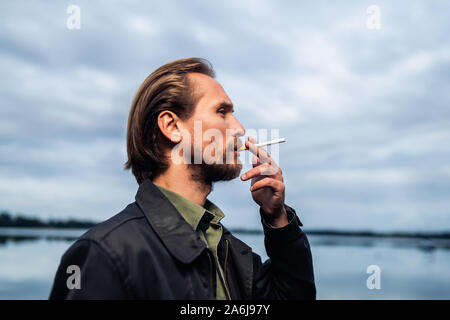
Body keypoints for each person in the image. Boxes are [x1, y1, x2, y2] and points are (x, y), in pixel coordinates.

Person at [49, 57, 315, 300]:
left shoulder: (227, 251)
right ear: (172, 127)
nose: (239, 128)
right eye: (222, 112)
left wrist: (278, 218)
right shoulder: (105, 254)